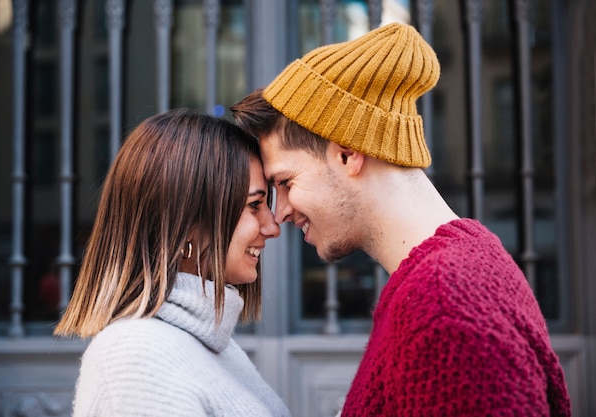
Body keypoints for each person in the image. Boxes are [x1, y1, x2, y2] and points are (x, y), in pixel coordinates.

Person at [230, 22, 571, 416]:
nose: (281, 212)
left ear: (347, 153)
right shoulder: (454, 271)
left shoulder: (445, 305)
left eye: (286, 182)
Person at [54, 109, 291, 417]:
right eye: (255, 205)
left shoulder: (208, 346)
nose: (272, 227)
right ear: (188, 222)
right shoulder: (136, 355)